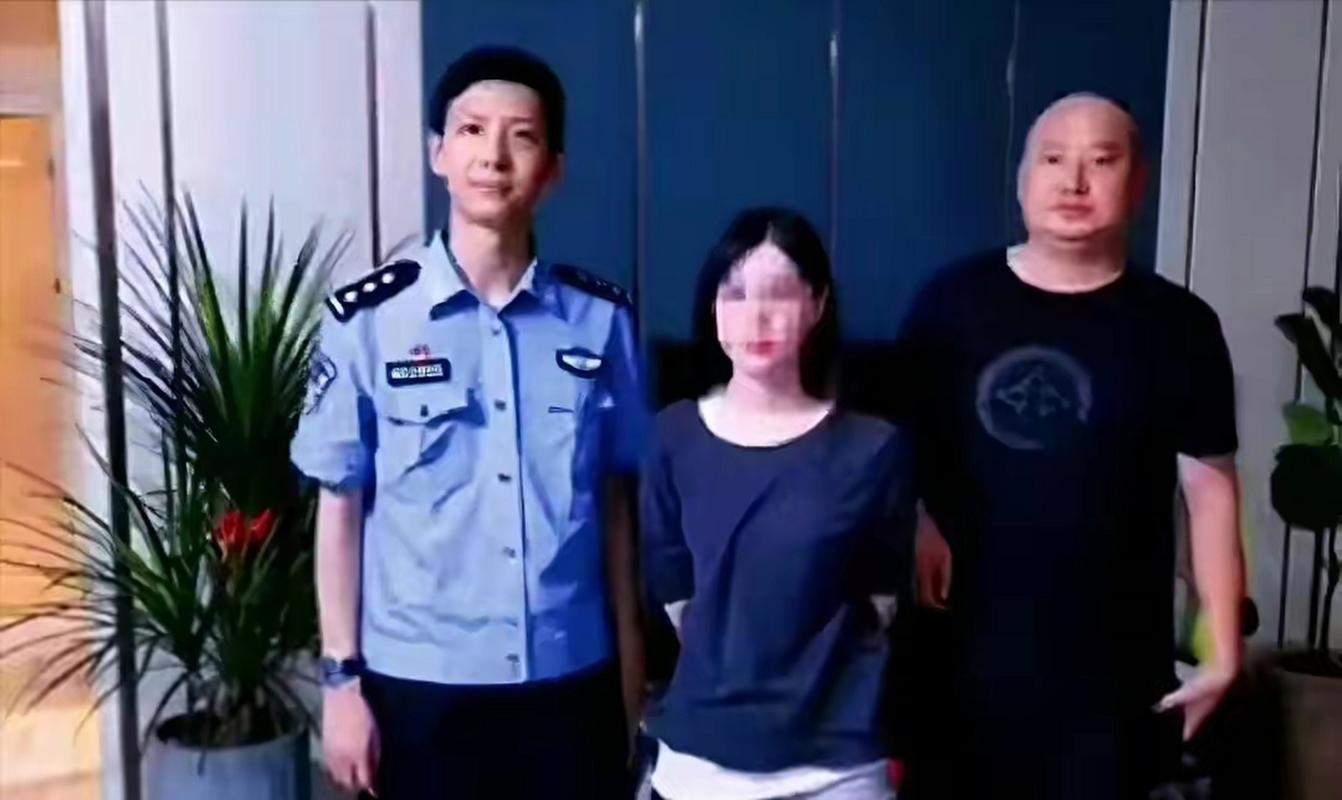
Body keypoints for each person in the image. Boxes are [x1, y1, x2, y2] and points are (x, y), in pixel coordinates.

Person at [291, 46, 647, 800]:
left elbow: (617, 510)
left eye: (522, 136)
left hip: (570, 682)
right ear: (439, 154)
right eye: (472, 130)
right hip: (420, 693)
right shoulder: (367, 321)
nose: (494, 156)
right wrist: (340, 682)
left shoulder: (602, 320)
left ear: (553, 170)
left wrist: (631, 669)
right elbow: (340, 508)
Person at [897, 93, 1245, 799]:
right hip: (961, 653)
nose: (1074, 181)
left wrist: (1222, 645)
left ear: (1138, 183)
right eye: (1053, 159)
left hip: (1110, 670)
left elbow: (1209, 493)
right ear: (1022, 180)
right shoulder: (950, 302)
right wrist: (920, 518)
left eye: (1102, 161)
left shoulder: (1180, 325)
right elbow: (895, 447)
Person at [641, 207, 915, 800]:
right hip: (703, 762)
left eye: (780, 293)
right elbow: (676, 592)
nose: (756, 316)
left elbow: (882, 597)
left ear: (817, 304)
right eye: (735, 294)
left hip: (838, 766)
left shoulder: (874, 449)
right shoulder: (671, 437)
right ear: (712, 308)